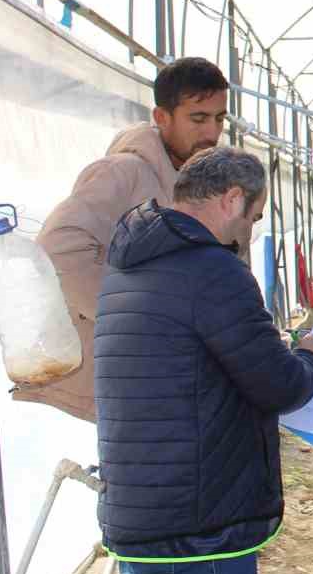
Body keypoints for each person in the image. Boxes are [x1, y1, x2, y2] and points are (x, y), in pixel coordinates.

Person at [95, 146, 313, 574]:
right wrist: (310, 358)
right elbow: (281, 387)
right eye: (253, 217)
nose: (248, 233)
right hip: (199, 529)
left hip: (138, 516)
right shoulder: (212, 271)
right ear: (232, 199)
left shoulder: (126, 267)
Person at [20, 57, 230, 420]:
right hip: (130, 376)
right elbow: (58, 249)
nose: (211, 133)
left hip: (171, 373)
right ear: (162, 117)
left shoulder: (197, 183)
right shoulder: (124, 173)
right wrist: (138, 322)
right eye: (198, 119)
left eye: (219, 119)